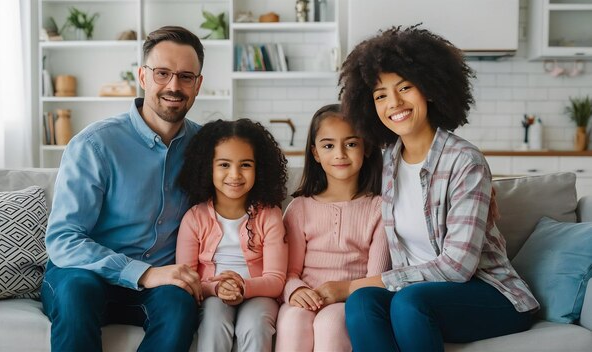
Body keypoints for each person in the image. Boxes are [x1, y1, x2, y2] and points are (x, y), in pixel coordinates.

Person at [332, 26, 540, 351]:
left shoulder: (464, 161)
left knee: (406, 302)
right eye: (380, 95)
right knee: (361, 304)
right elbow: (337, 173)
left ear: (428, 88)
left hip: (489, 294)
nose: (394, 103)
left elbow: (457, 268)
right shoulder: (387, 162)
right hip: (417, 296)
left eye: (405, 88)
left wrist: (348, 285)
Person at [42, 26, 205, 352]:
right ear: (142, 76)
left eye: (186, 76)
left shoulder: (205, 148)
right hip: (86, 274)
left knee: (180, 305)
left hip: (161, 282)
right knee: (76, 292)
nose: (174, 86)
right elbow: (63, 240)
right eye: (162, 73)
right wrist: (142, 273)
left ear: (198, 84)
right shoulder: (95, 144)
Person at [275, 104, 391, 352]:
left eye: (350, 144)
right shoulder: (299, 208)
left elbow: (376, 278)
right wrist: (295, 291)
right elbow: (287, 272)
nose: (340, 154)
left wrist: (344, 292)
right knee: (293, 321)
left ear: (366, 147)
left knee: (329, 325)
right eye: (328, 146)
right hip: (306, 295)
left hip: (350, 298)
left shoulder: (379, 208)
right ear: (315, 153)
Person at [176, 118, 289, 352]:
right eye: (224, 165)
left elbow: (276, 280)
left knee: (255, 325)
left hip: (259, 294)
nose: (235, 174)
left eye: (245, 165)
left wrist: (243, 287)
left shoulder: (270, 215)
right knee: (213, 321)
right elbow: (186, 279)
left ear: (260, 168)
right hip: (212, 295)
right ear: (208, 167)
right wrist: (216, 289)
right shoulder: (194, 218)